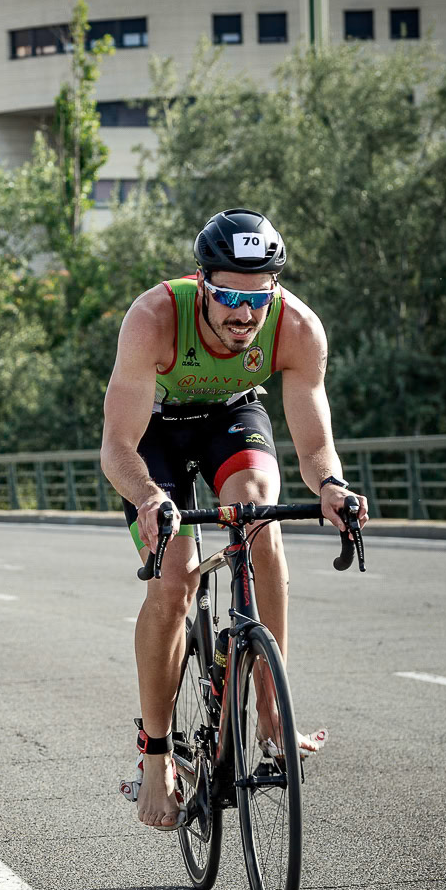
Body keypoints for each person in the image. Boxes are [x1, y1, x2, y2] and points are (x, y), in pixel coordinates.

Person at [99, 208, 366, 833]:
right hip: (154, 435)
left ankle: (272, 710)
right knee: (175, 577)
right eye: (228, 298)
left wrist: (332, 486)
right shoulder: (154, 318)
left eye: (258, 298)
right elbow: (117, 446)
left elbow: (315, 445)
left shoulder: (297, 328)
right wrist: (149, 498)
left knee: (261, 520)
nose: (244, 314)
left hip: (230, 419)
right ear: (202, 284)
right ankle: (156, 754)